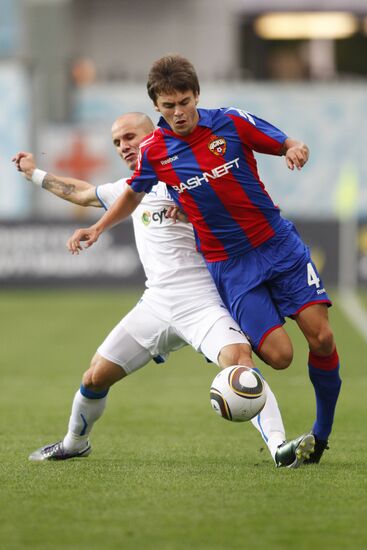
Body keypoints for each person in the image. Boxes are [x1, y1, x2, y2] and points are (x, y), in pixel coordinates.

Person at [67, 57, 342, 465]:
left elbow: (279, 142)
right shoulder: (155, 151)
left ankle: (319, 435)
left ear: (197, 95)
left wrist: (294, 147)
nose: (178, 113)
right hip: (229, 266)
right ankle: (237, 335)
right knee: (281, 357)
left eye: (184, 102)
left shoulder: (230, 122)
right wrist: (99, 228)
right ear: (156, 106)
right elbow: (132, 193)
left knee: (321, 337)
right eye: (168, 106)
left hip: (277, 245)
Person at [13, 112, 314, 468]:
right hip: (155, 304)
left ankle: (280, 449)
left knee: (240, 364)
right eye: (117, 142)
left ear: (154, 135)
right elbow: (79, 192)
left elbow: (237, 205)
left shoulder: (193, 179)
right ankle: (74, 442)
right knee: (94, 377)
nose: (123, 146)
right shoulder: (131, 189)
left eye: (129, 137)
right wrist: (33, 173)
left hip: (204, 303)